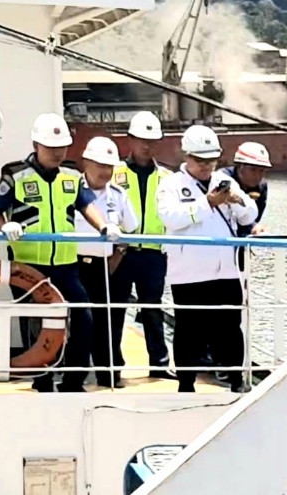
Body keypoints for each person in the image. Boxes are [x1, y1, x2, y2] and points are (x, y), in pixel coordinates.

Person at [0, 113, 121, 393]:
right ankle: (42, 379)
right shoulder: (15, 175)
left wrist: (104, 225)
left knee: (83, 317)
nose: (58, 153)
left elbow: (86, 205)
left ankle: (74, 379)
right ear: (36, 145)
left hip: (65, 264)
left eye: (62, 147)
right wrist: (4, 225)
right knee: (35, 323)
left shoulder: (72, 176)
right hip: (29, 265)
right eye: (51, 147)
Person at [156, 124, 258, 393]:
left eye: (210, 161)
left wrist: (237, 200)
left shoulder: (225, 182)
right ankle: (186, 384)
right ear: (186, 156)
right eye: (200, 161)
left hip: (225, 270)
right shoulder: (171, 185)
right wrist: (208, 204)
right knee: (189, 330)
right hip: (189, 272)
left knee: (230, 328)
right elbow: (171, 218)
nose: (205, 166)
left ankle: (236, 379)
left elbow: (250, 215)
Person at [110, 111, 172, 379]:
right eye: (141, 140)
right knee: (115, 309)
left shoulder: (167, 177)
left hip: (153, 253)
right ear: (130, 140)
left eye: (151, 141)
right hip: (122, 251)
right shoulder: (114, 173)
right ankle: (112, 365)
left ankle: (159, 363)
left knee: (152, 309)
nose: (146, 146)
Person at [75, 137, 138, 389]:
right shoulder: (71, 191)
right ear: (86, 162)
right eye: (100, 164)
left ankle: (109, 372)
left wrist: (117, 255)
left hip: (107, 265)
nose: (105, 171)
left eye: (110, 166)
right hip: (73, 264)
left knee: (108, 321)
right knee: (79, 320)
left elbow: (131, 230)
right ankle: (72, 373)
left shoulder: (119, 195)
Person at [220, 142, 271, 237]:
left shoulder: (262, 186)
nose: (258, 175)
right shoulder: (221, 180)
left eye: (262, 171)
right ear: (240, 166)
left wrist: (255, 227)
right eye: (253, 170)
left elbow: (255, 217)